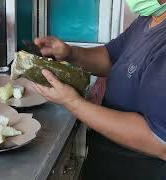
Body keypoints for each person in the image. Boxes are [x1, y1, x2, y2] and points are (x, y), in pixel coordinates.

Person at [32, 0, 166, 179]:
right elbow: (110, 58)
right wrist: (71, 54)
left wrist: (73, 102)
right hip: (108, 158)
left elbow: (159, 141)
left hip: (139, 169)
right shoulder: (148, 20)